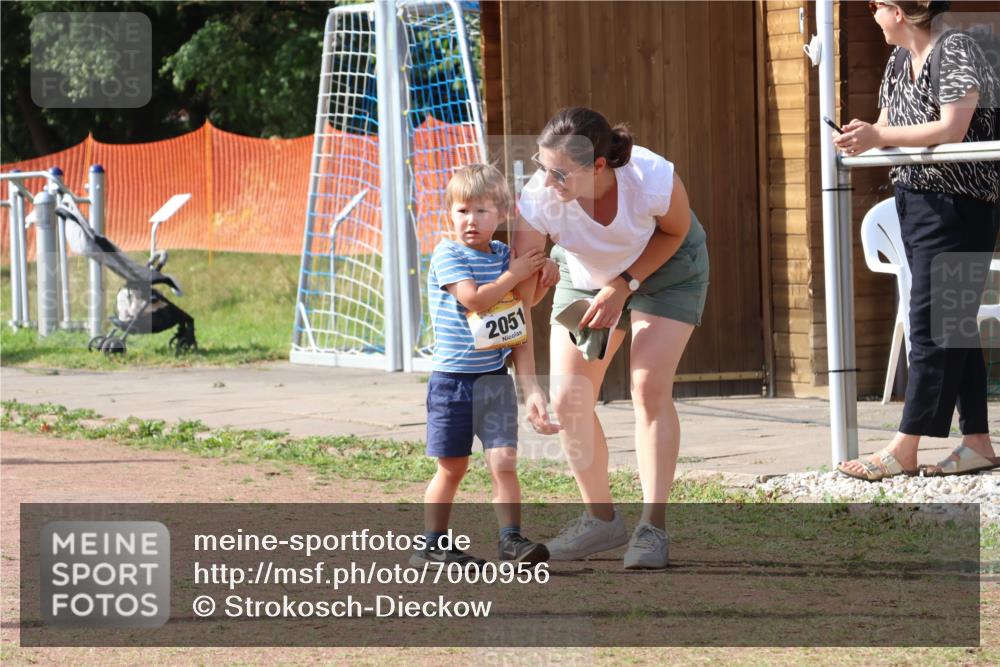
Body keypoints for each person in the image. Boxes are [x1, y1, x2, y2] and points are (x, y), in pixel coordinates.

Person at [509, 107, 710, 569]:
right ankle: (601, 520)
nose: (548, 180)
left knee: (648, 387)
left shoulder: (650, 177)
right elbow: (520, 302)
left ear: (598, 166)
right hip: (586, 278)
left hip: (667, 269)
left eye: (560, 173)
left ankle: (652, 529)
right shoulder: (540, 200)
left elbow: (675, 231)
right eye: (543, 167)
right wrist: (529, 384)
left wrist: (624, 286)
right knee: (568, 399)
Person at [836, 0, 1000, 480]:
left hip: (959, 203)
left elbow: (953, 126)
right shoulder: (897, 60)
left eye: (876, 5)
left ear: (900, 11)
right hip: (916, 200)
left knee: (930, 322)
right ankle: (977, 442)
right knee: (954, 322)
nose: (871, 12)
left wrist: (880, 137)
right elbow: (888, 127)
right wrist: (861, 137)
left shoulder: (955, 51)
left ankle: (904, 446)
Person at [410, 163, 559, 567]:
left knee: (504, 462)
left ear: (503, 214)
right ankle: (431, 544)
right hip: (453, 382)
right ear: (449, 215)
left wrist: (543, 278)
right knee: (453, 468)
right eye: (461, 211)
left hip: (494, 380)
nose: (470, 221)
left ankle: (511, 541)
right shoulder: (448, 253)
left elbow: (517, 309)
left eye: (481, 211)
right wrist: (515, 273)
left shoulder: (501, 255)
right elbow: (475, 300)